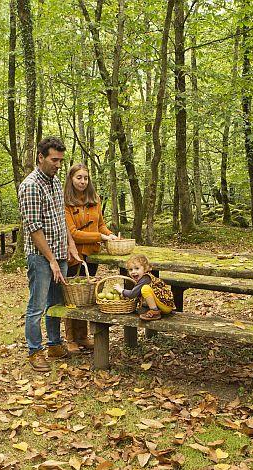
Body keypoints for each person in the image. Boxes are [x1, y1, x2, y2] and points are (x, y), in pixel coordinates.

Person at [18, 137, 82, 372]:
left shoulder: (55, 183)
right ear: (41, 157)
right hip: (40, 258)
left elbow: (59, 218)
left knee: (57, 303)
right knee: (37, 305)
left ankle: (55, 344)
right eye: (54, 160)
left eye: (61, 161)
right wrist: (52, 261)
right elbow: (34, 229)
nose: (58, 165)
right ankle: (35, 351)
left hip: (59, 254)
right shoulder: (31, 186)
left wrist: (70, 245)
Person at [63, 164, 117, 351]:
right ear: (71, 179)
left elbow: (100, 225)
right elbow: (73, 233)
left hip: (92, 255)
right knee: (72, 298)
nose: (83, 181)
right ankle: (71, 339)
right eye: (79, 177)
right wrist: (100, 237)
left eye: (85, 178)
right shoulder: (66, 203)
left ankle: (83, 336)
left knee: (86, 297)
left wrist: (110, 235)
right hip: (74, 255)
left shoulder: (95, 199)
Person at [115, 254, 175, 321]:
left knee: (145, 288)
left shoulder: (146, 278)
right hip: (161, 305)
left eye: (137, 268)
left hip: (165, 305)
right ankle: (153, 309)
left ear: (145, 269)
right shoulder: (142, 279)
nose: (133, 272)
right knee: (140, 310)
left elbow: (132, 294)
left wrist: (121, 290)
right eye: (130, 270)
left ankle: (154, 312)